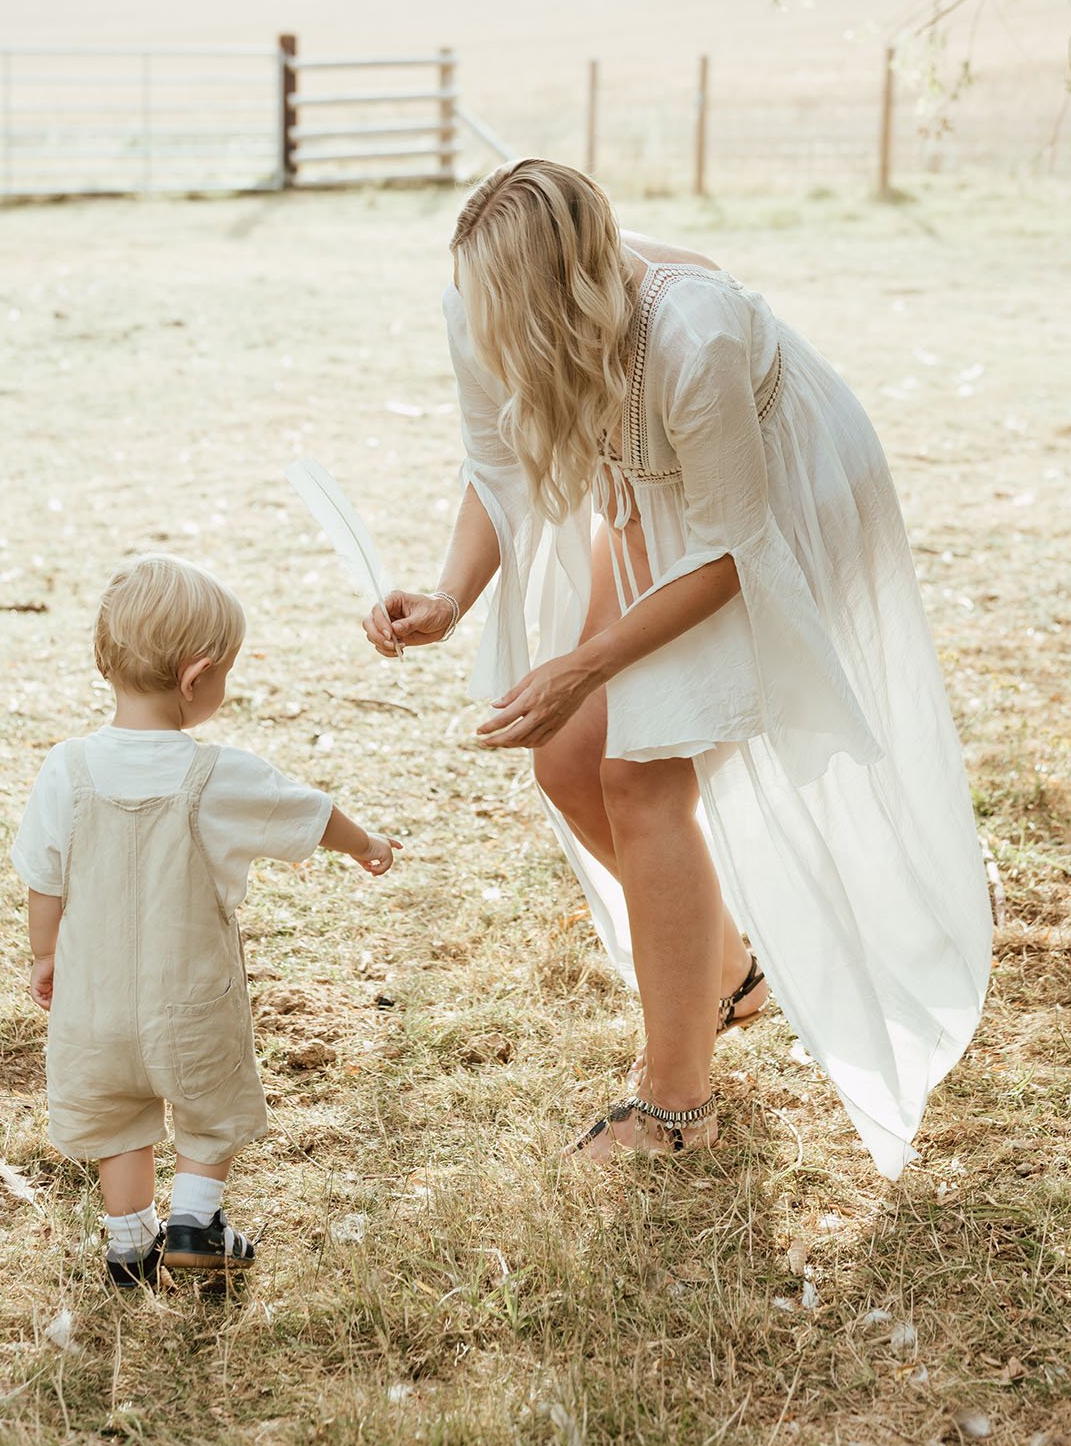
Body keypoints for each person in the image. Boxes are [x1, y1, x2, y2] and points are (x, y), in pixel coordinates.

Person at [366, 160, 991, 1176]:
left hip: (780, 504)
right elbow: (495, 470)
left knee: (638, 773)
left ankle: (674, 1106)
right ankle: (729, 970)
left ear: (557, 297)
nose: (475, 325)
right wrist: (448, 596)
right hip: (661, 499)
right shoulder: (478, 312)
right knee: (568, 761)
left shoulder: (693, 336)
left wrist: (582, 665)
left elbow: (735, 555)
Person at [13, 551, 400, 1287]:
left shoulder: (66, 767)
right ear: (197, 677)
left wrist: (44, 957)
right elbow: (309, 812)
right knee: (209, 1109)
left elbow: (42, 876)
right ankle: (195, 1224)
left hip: (91, 1007)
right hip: (188, 1004)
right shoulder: (217, 774)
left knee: (120, 1119)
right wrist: (367, 846)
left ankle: (128, 1245)